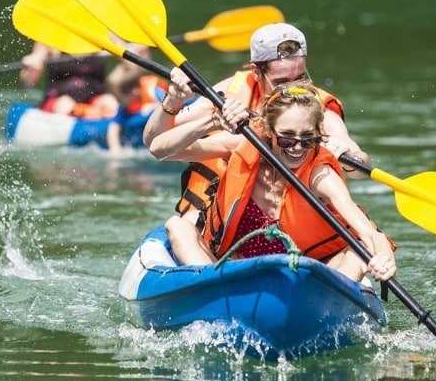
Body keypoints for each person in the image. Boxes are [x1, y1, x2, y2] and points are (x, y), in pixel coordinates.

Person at [151, 80, 396, 282]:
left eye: (307, 138)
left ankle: (323, 306)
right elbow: (159, 149)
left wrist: (384, 256)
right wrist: (213, 121)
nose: (297, 147)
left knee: (356, 253)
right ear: (269, 131)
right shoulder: (244, 146)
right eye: (287, 138)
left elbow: (368, 232)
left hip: (302, 281)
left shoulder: (319, 174)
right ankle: (212, 292)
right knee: (178, 225)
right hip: (232, 275)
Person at [144, 23, 370, 228]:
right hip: (223, 209)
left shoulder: (318, 108)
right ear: (256, 71)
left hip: (292, 218)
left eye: (300, 78)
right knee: (185, 225)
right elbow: (155, 142)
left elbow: (358, 164)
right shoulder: (228, 93)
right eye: (281, 82)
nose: (291, 89)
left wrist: (351, 159)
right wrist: (173, 101)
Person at [19, 41, 119, 119]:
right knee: (65, 104)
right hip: (59, 100)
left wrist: (133, 52)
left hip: (93, 99)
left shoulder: (103, 33)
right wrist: (32, 69)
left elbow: (129, 62)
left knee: (110, 102)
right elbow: (29, 83)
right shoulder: (50, 36)